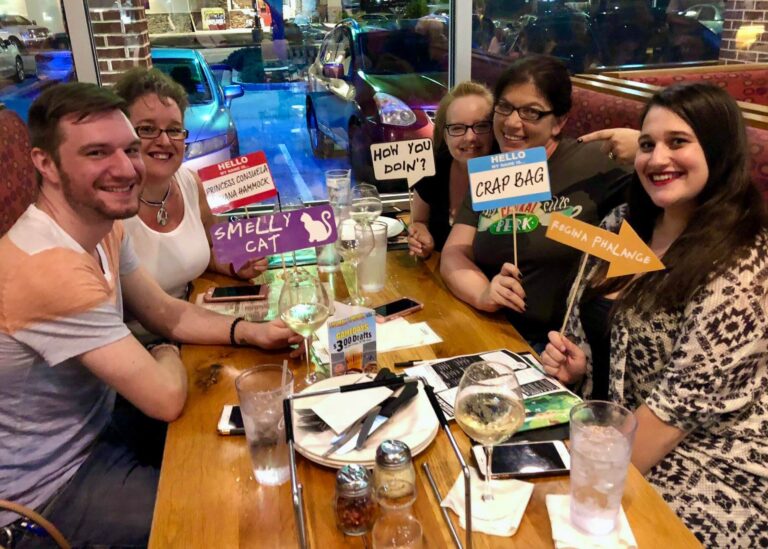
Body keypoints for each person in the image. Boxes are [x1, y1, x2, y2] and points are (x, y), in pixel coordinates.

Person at [0, 82, 301, 548]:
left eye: (128, 149)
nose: (126, 168)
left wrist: (249, 332)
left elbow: (162, 310)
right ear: (45, 163)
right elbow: (164, 396)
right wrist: (163, 348)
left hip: (103, 424)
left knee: (269, 434)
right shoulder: (49, 265)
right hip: (45, 494)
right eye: (98, 153)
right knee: (238, 518)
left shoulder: (102, 226)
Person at [541, 83, 768, 546]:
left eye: (677, 142)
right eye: (647, 144)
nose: (657, 158)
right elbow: (604, 331)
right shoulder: (623, 223)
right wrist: (581, 368)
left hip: (712, 464)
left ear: (719, 149)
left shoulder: (743, 262)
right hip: (613, 433)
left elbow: (670, 416)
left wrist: (575, 489)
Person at [440, 54, 629, 349]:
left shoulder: (593, 163)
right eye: (504, 107)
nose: (512, 123)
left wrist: (647, 145)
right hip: (489, 328)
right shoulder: (495, 168)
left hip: (557, 347)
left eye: (531, 112)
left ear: (559, 121)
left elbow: (695, 187)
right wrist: (484, 294)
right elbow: (453, 253)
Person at [113, 68, 267, 340]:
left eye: (174, 130)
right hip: (133, 350)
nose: (164, 141)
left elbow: (210, 248)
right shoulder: (109, 209)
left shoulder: (192, 184)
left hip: (192, 330)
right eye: (147, 129)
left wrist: (233, 265)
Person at [408, 81, 495, 258]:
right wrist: (420, 237)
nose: (470, 137)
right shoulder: (433, 169)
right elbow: (419, 221)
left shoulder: (511, 174)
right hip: (438, 279)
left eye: (481, 126)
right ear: (444, 134)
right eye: (457, 128)